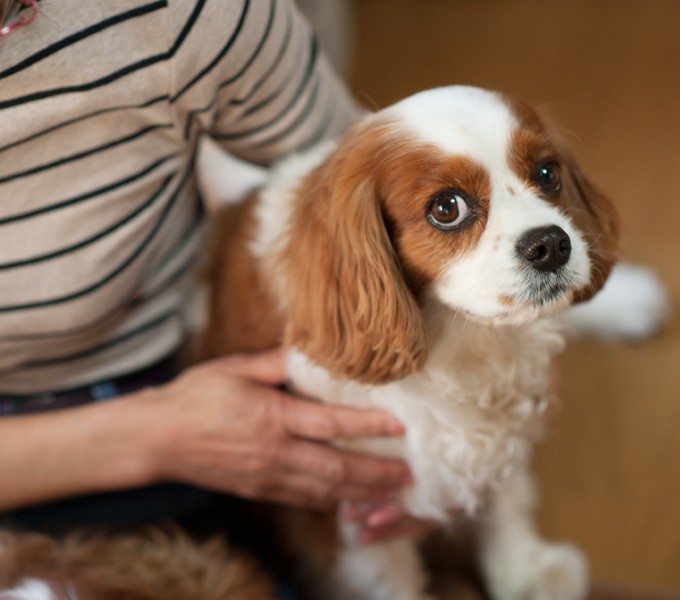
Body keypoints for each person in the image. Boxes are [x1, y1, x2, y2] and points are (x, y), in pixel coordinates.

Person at [0, 0, 428, 547]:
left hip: (184, 376)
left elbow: (377, 201)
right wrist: (158, 436)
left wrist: (458, 444)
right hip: (181, 427)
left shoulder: (180, 14)